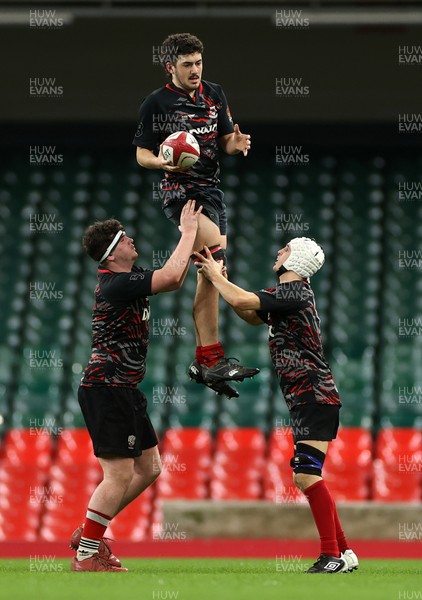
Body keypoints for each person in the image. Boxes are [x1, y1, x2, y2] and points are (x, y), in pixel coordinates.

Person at [194, 237, 359, 574]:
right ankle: (344, 552)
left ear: (295, 259)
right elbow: (248, 312)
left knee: (305, 475)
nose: (277, 251)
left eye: (284, 249)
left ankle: (331, 556)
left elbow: (241, 299)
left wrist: (215, 275)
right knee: (308, 474)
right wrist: (218, 279)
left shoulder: (294, 292)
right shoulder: (289, 295)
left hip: (313, 395)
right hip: (310, 396)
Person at [70, 200, 202, 572]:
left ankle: (88, 533)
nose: (132, 240)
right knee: (120, 474)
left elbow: (172, 271)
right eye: (124, 238)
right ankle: (86, 556)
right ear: (113, 254)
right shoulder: (115, 284)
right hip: (106, 386)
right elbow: (172, 278)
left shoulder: (127, 278)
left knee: (150, 467)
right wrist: (188, 230)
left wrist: (200, 248)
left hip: (124, 388)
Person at [133, 32, 259, 399]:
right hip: (180, 191)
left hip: (212, 190)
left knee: (211, 271)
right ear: (169, 66)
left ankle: (207, 361)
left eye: (199, 63)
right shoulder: (155, 104)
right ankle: (209, 360)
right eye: (187, 64)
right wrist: (162, 160)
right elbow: (141, 153)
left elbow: (224, 140)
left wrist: (234, 144)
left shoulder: (214, 93)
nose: (195, 70)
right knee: (214, 262)